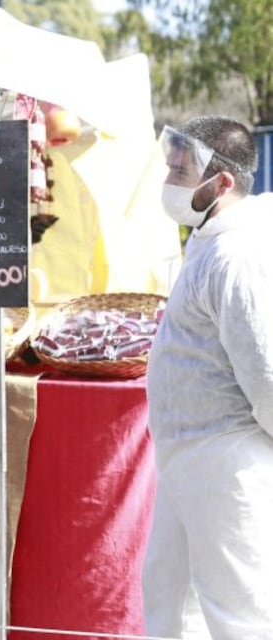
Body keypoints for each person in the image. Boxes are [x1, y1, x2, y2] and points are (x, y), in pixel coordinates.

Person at [144, 115, 273, 638]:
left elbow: (265, 369)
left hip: (225, 458)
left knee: (238, 615)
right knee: (173, 603)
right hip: (188, 454)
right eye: (172, 166)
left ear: (221, 183)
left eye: (183, 169)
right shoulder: (209, 235)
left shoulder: (236, 253)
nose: (171, 179)